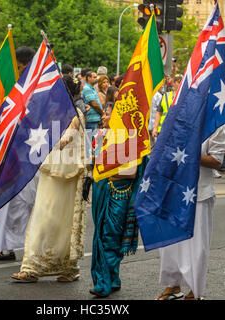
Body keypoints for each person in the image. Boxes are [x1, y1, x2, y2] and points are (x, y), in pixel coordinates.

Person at [11, 109, 87, 282]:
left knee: (65, 223)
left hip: (68, 174)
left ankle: (70, 268)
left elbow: (65, 140)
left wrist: (40, 139)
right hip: (50, 170)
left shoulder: (75, 114)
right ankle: (31, 268)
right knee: (42, 218)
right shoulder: (52, 109)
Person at [156, 126, 225, 300]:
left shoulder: (217, 125)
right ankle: (172, 286)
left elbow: (217, 161)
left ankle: (195, 292)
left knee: (197, 247)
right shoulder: (182, 118)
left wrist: (189, 154)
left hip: (200, 193)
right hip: (174, 189)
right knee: (169, 244)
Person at [0, 46, 37, 261]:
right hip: (10, 151)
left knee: (25, 201)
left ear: (23, 65)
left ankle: (24, 246)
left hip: (27, 152)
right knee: (7, 201)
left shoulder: (35, 87)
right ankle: (4, 248)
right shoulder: (18, 87)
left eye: (18, 66)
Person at [89, 104, 146, 298]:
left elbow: (130, 173)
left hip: (119, 194)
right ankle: (112, 279)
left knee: (109, 237)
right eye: (104, 113)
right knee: (102, 235)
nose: (103, 117)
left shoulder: (129, 140)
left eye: (107, 114)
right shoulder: (102, 136)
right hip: (102, 191)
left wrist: (107, 170)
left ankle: (104, 282)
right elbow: (94, 162)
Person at [81, 70, 103, 135]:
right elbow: (94, 104)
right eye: (94, 77)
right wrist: (102, 113)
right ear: (89, 78)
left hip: (94, 119)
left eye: (96, 77)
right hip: (91, 120)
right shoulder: (87, 88)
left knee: (95, 141)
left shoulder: (91, 88)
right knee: (91, 142)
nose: (96, 79)